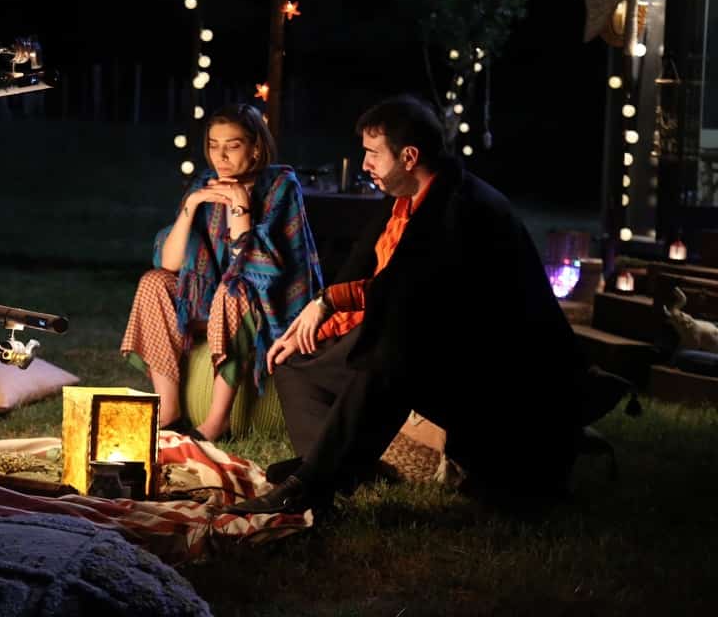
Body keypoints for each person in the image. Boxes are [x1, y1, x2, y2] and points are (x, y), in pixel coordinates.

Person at [225, 94, 630, 515]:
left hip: (500, 373)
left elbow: (406, 291)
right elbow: (365, 277)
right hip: (431, 348)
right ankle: (329, 467)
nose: (364, 164)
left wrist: (328, 302)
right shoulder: (404, 201)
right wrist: (310, 328)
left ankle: (310, 487)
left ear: (409, 156)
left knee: (391, 349)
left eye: (373, 154)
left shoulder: (463, 208)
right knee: (294, 362)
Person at [120, 103, 324, 441]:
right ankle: (169, 412)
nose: (221, 156)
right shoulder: (206, 184)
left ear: (255, 148)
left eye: (233, 145)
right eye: (214, 145)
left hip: (266, 308)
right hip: (211, 305)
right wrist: (191, 206)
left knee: (233, 289)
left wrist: (241, 206)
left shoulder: (281, 186)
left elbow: (258, 270)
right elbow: (169, 263)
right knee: (153, 283)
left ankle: (218, 421)